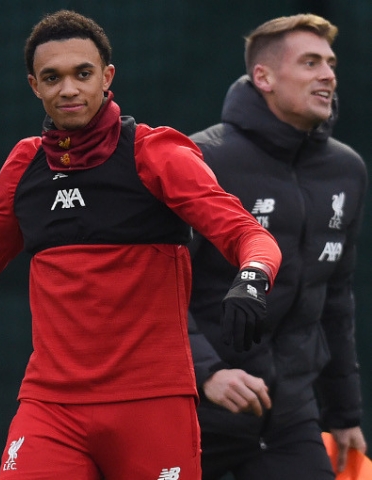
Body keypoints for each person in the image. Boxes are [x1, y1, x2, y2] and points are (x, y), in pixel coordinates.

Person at [0, 9, 283, 480]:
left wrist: (252, 278)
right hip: (51, 406)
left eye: (83, 74)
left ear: (107, 77)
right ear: (34, 86)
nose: (69, 89)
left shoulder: (156, 153)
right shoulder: (25, 164)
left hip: (151, 403)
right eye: (53, 78)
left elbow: (248, 234)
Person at [186, 13, 368, 480]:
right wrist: (206, 372)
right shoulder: (201, 159)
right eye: (310, 63)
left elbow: (335, 299)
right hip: (194, 408)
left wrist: (344, 413)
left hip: (290, 416)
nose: (328, 75)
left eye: (330, 64)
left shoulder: (347, 170)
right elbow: (152, 287)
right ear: (263, 77)